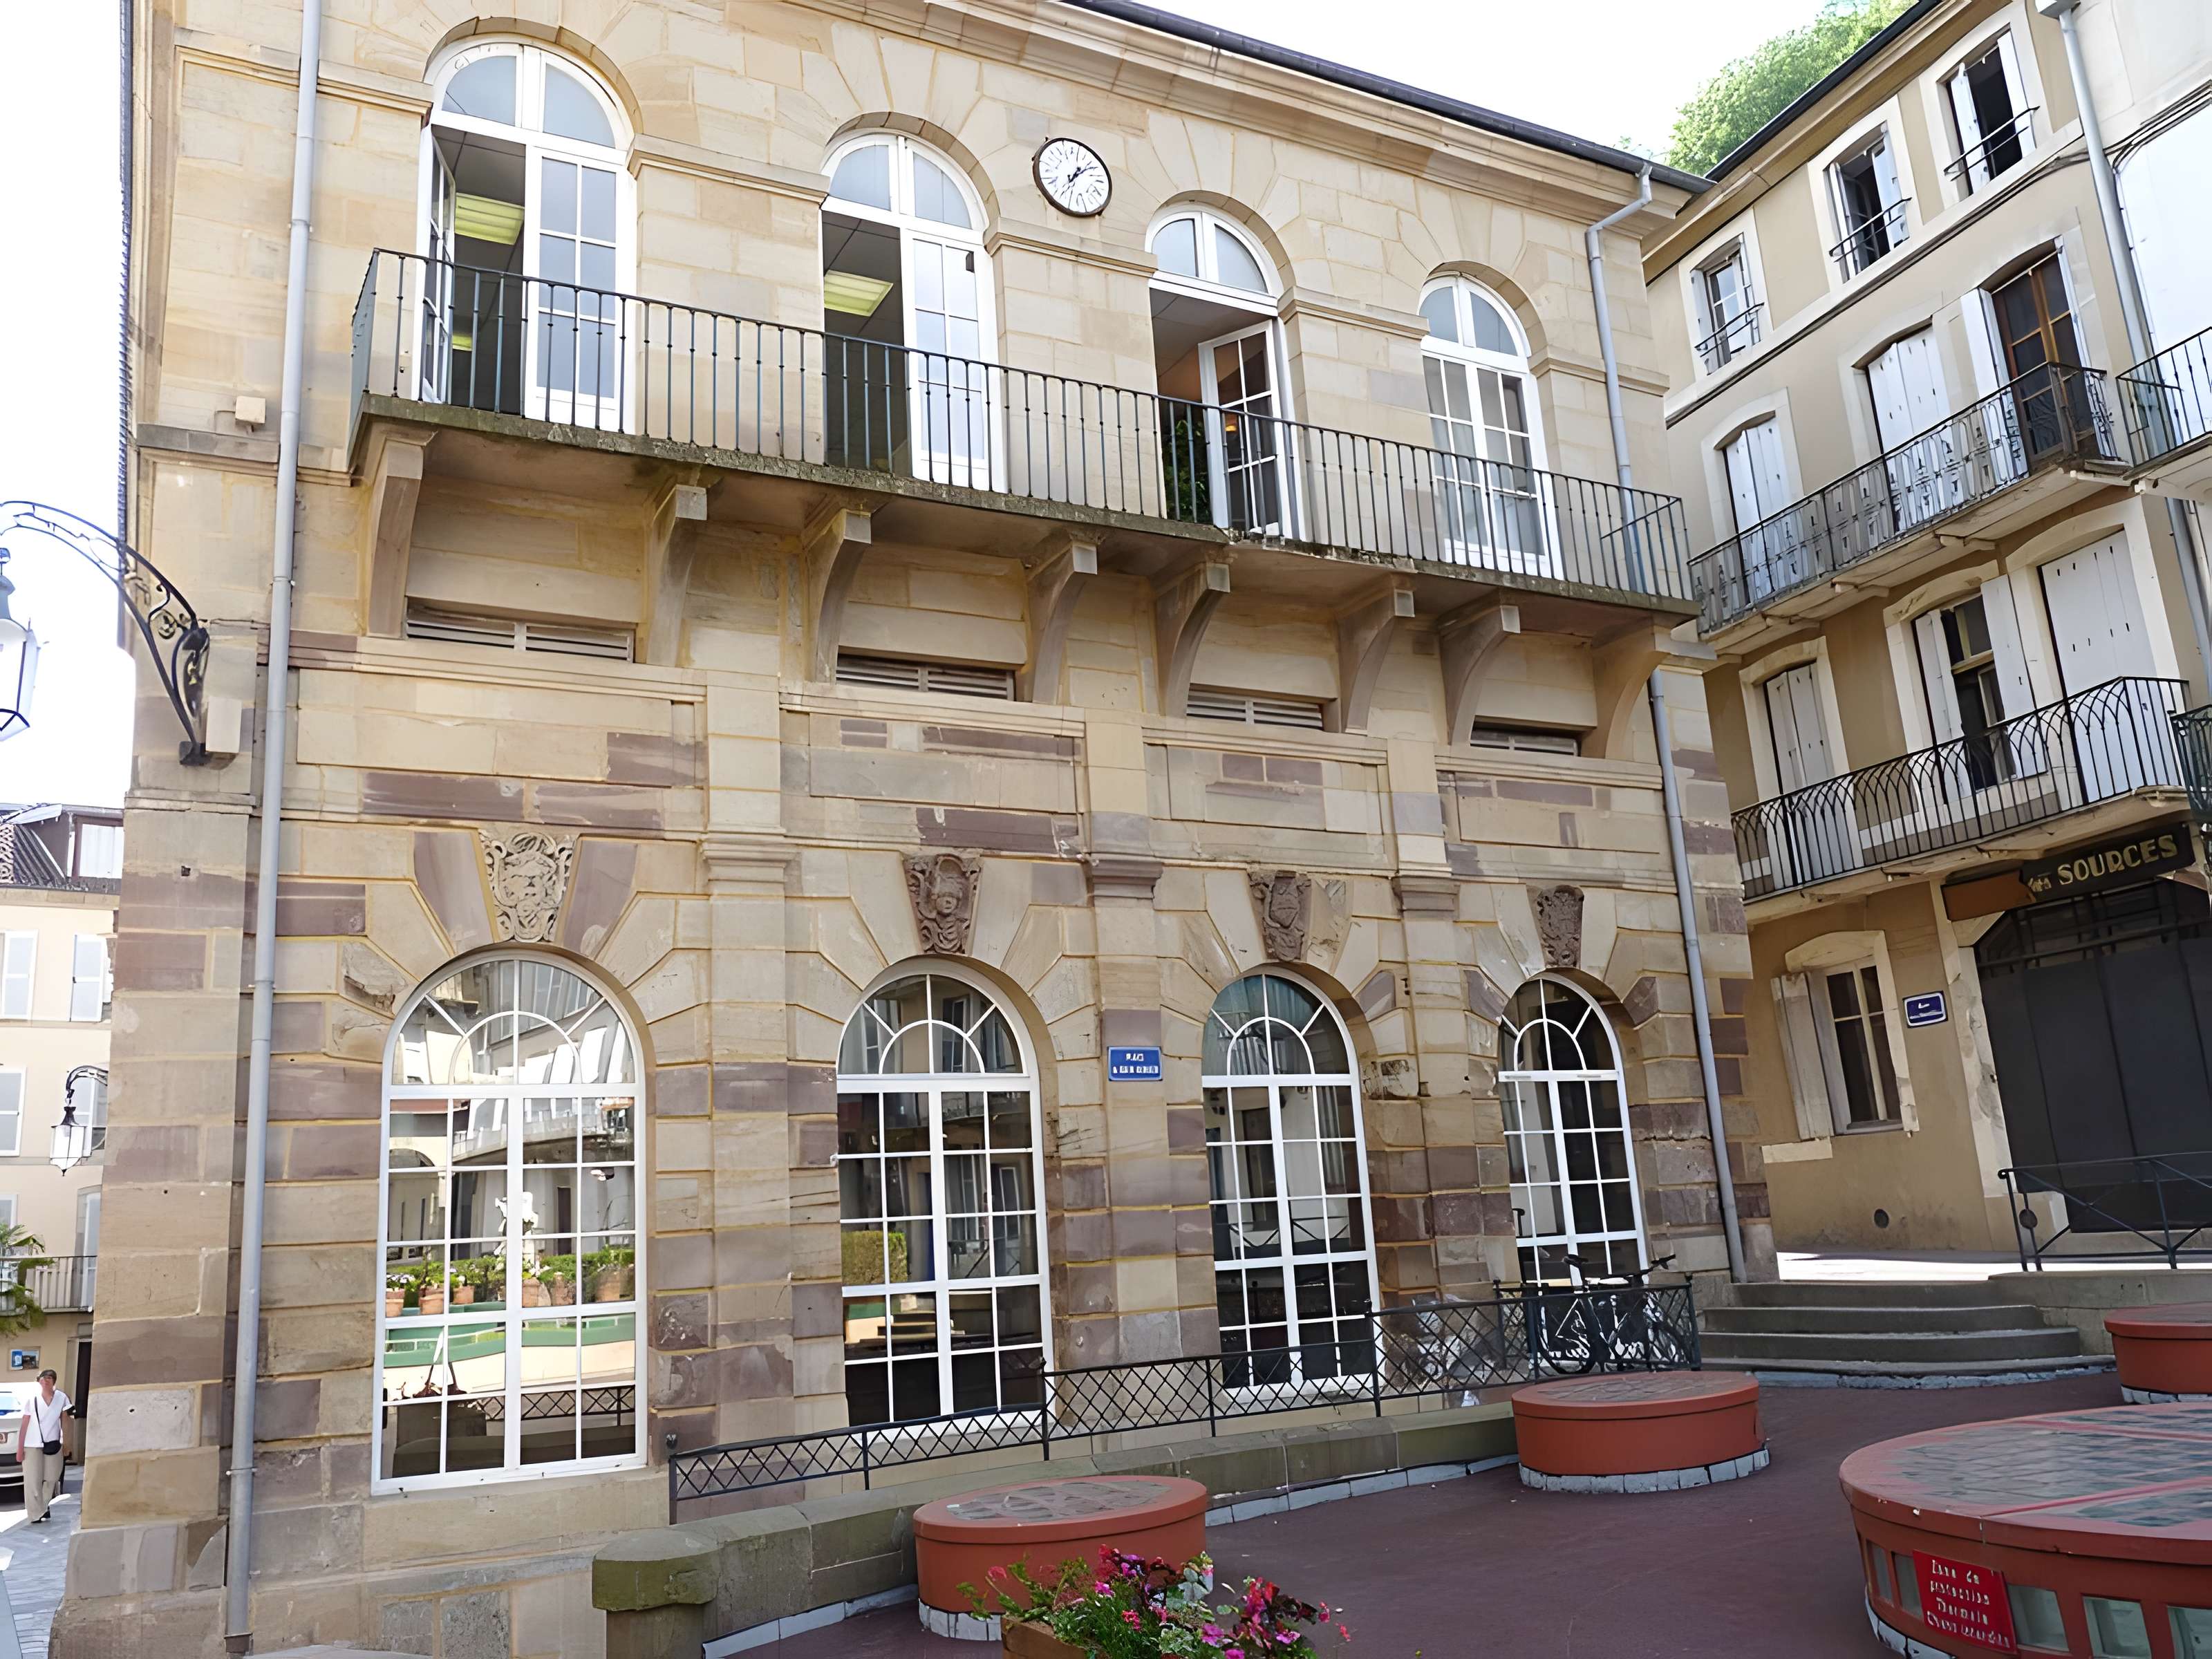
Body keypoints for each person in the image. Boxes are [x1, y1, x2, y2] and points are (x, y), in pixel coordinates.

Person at [19, 1369, 73, 1524]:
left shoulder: (62, 1398)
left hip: (54, 1442)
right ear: (39, 1382)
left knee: (52, 1477)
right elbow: (24, 1423)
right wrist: (19, 1448)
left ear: (54, 1381)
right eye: (43, 1378)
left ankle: (42, 1506)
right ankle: (35, 1514)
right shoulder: (32, 1398)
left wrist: (67, 1443)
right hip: (31, 1444)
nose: (46, 1381)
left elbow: (66, 1420)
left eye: (49, 1378)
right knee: (33, 1480)